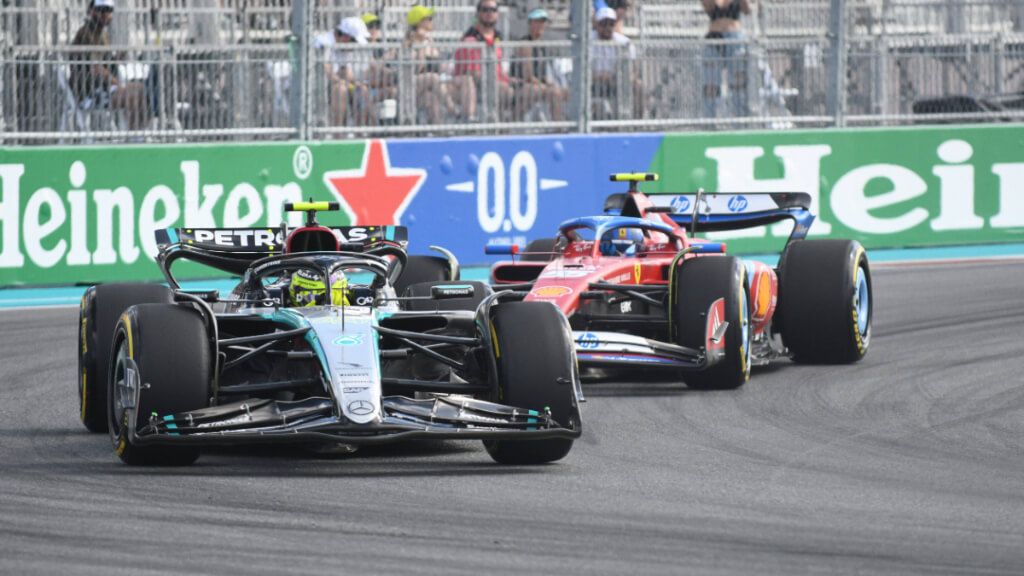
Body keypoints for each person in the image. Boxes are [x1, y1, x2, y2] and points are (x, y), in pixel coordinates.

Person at [69, 0, 149, 130]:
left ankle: (137, 135)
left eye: (108, 10)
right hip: (89, 94)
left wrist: (116, 59)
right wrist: (117, 83)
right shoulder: (86, 33)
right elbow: (95, 68)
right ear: (91, 11)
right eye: (101, 10)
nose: (105, 14)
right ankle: (135, 136)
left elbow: (105, 63)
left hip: (103, 89)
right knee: (134, 95)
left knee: (143, 89)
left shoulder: (103, 34)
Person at [453, 0, 514, 121]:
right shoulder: (470, 38)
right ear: (478, 13)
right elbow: (471, 72)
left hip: (493, 81)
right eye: (485, 10)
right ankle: (472, 122)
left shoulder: (498, 37)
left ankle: (501, 125)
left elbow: (500, 67)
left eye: (493, 10)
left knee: (511, 91)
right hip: (474, 83)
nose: (489, 13)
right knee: (501, 89)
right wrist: (492, 79)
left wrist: (508, 79)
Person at [314, 17, 374, 128]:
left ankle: (361, 133)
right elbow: (326, 71)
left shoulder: (345, 46)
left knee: (362, 90)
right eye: (355, 41)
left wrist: (355, 83)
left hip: (333, 86)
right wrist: (343, 82)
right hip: (316, 89)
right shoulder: (323, 42)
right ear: (346, 37)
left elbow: (347, 71)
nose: (355, 46)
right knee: (341, 89)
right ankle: (337, 133)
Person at [511, 8, 567, 121]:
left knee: (560, 90)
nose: (541, 25)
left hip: (534, 84)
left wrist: (548, 83)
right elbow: (528, 77)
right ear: (530, 23)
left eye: (543, 22)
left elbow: (542, 73)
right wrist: (545, 86)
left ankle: (559, 126)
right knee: (542, 91)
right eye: (538, 21)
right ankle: (511, 122)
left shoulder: (542, 45)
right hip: (519, 83)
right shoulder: (525, 44)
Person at [702, 0, 753, 119]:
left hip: (735, 38)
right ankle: (709, 122)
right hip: (714, 38)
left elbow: (747, 10)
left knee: (738, 84)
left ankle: (740, 122)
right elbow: (708, 7)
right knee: (711, 84)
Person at [404, 5, 454, 124]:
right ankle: (452, 109)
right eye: (429, 18)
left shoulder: (429, 40)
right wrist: (421, 46)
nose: (432, 21)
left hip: (427, 89)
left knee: (431, 98)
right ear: (419, 22)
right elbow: (417, 68)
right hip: (410, 86)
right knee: (433, 78)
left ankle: (437, 129)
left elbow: (439, 64)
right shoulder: (408, 42)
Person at [590, 7, 640, 119]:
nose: (607, 28)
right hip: (593, 83)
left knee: (638, 86)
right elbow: (583, 72)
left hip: (616, 82)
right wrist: (601, 77)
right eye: (604, 24)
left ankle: (637, 123)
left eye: (611, 24)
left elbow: (633, 69)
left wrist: (627, 77)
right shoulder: (587, 41)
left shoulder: (624, 43)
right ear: (597, 25)